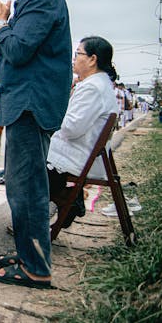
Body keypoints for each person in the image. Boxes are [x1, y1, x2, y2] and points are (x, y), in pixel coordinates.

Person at [0, 0, 72, 289]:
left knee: (27, 189)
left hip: (31, 104)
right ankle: (28, 254)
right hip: (27, 101)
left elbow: (16, 51)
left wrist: (0, 23)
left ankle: (36, 269)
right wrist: (3, 28)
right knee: (21, 185)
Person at [46, 36, 119, 227]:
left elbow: (71, 129)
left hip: (76, 156)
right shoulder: (99, 84)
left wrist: (56, 110)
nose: (74, 59)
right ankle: (68, 199)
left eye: (78, 54)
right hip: (84, 153)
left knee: (26, 167)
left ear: (92, 59)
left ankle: (59, 206)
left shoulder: (92, 88)